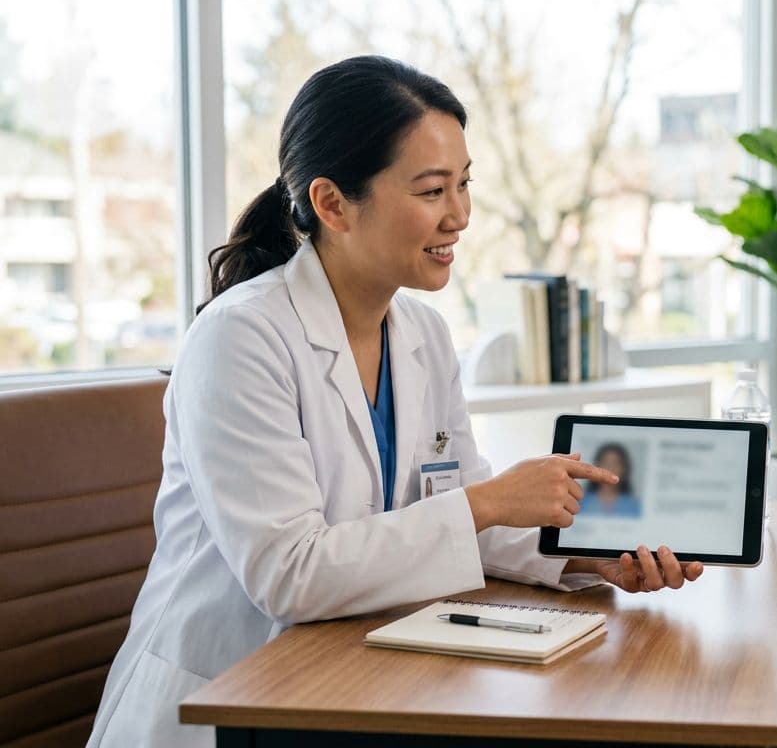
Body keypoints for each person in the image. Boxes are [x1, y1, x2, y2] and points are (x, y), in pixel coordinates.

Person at [87, 55, 703, 748]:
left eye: (465, 185)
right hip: (237, 696)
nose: (461, 216)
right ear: (331, 204)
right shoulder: (240, 338)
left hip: (363, 675)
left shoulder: (422, 334)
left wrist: (588, 558)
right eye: (433, 190)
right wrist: (491, 499)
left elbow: (457, 515)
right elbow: (291, 575)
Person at [583, 442, 642, 517]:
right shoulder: (581, 502)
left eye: (616, 463)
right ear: (596, 466)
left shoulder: (634, 506)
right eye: (606, 463)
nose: (610, 468)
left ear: (624, 468)